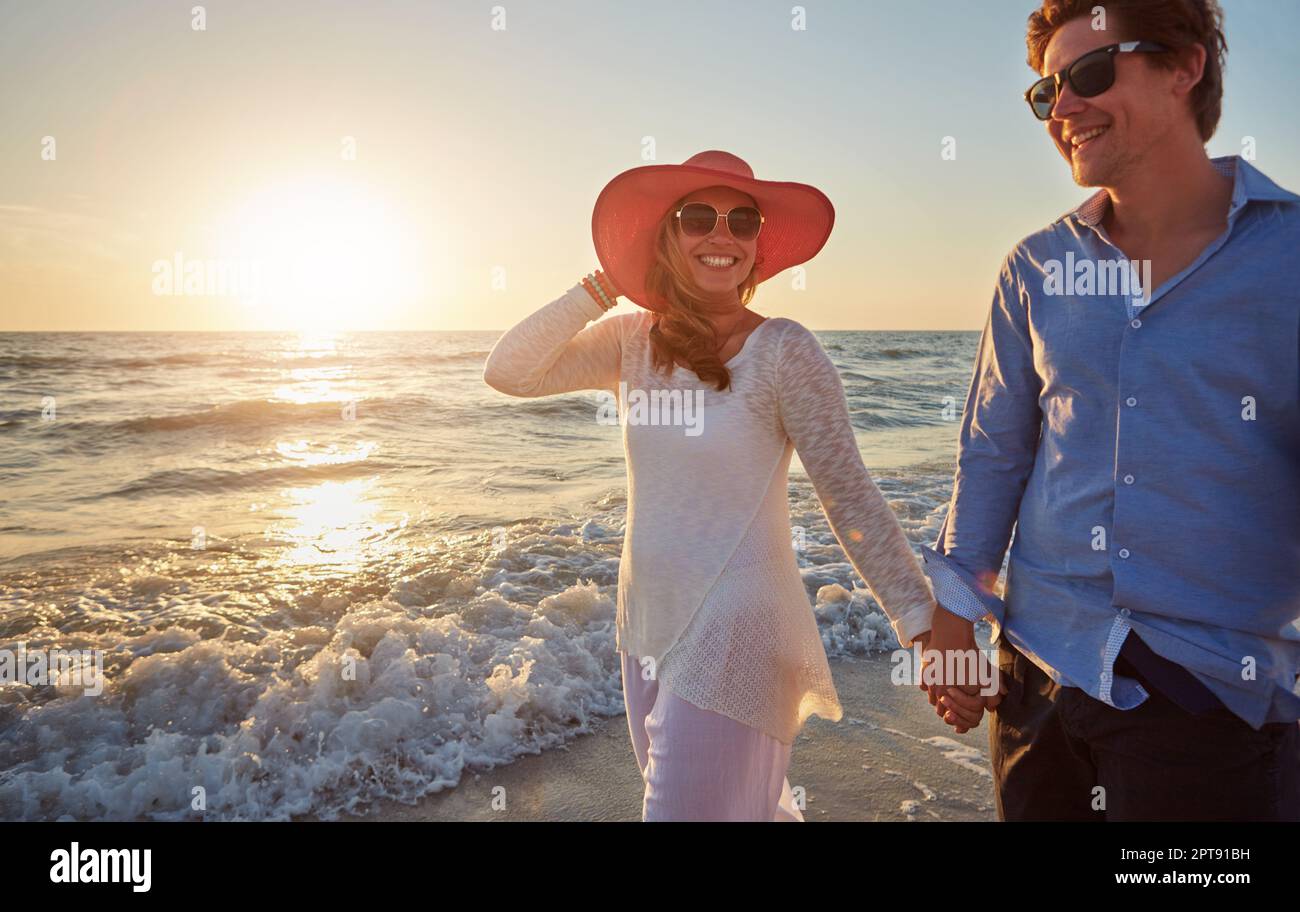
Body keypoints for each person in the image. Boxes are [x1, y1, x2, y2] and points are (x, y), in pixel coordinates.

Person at [921, 0, 1300, 820]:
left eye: (1090, 74)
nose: (1061, 109)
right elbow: (994, 452)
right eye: (1045, 92)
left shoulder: (1291, 259)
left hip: (1213, 697)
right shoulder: (1036, 267)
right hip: (1040, 674)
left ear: (1184, 67)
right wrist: (953, 623)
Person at [483, 150, 939, 821]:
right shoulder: (630, 341)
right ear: (668, 235)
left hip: (738, 630)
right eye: (698, 217)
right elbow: (510, 371)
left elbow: (848, 495)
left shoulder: (785, 350)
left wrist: (920, 622)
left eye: (741, 220)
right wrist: (604, 283)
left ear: (757, 246)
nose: (721, 234)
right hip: (643, 626)